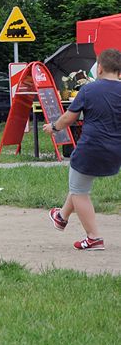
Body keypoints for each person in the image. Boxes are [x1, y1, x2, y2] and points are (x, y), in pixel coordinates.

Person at [44, 48, 121, 250]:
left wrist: (53, 127)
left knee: (79, 191)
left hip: (91, 147)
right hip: (115, 150)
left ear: (100, 68)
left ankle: (94, 237)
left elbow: (70, 118)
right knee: (80, 184)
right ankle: (61, 217)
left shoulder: (88, 90)